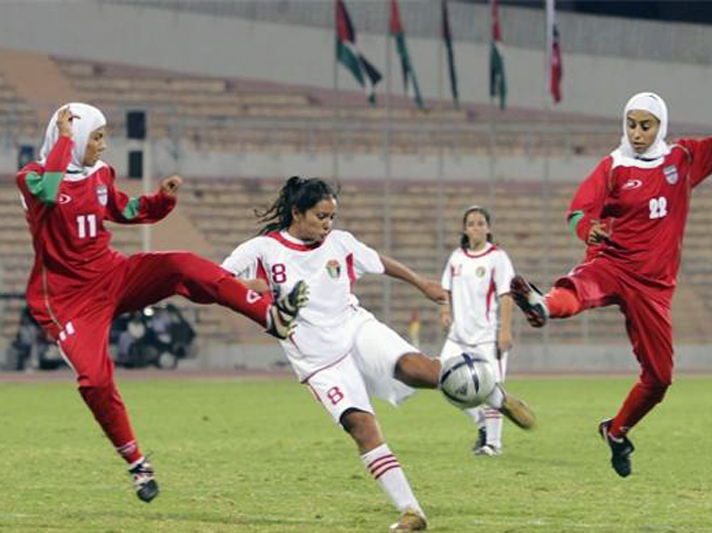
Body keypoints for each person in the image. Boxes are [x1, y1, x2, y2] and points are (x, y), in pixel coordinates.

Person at [510, 72, 712, 478]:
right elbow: (578, 208)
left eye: (646, 125)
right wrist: (586, 227)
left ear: (660, 125)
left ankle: (616, 430)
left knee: (660, 379)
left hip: (654, 289)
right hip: (614, 263)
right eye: (632, 124)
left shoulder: (682, 158)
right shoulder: (613, 166)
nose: (638, 133)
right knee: (579, 286)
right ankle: (541, 304)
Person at [16, 103, 306, 503]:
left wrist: (159, 201)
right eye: (96, 137)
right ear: (74, 137)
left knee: (180, 264)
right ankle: (137, 464)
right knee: (96, 380)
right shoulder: (32, 178)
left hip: (112, 275)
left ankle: (269, 314)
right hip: (67, 301)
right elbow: (50, 194)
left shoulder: (100, 174)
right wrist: (65, 139)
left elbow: (124, 209)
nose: (103, 145)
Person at [221, 177, 534, 531]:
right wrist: (261, 288)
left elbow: (381, 263)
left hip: (356, 328)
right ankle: (411, 512)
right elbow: (218, 280)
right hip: (316, 359)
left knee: (422, 370)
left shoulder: (340, 243)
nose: (328, 224)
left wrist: (422, 284)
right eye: (321, 216)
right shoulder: (262, 249)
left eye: (332, 217)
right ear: (297, 212)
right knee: (362, 427)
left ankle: (498, 397)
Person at [439, 206, 516, 456]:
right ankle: (481, 422)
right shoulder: (456, 258)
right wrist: (445, 311)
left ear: (488, 228)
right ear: (465, 229)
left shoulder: (498, 258)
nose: (476, 227)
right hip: (458, 336)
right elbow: (445, 290)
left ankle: (493, 444)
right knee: (442, 381)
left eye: (481, 223)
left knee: (490, 388)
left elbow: (506, 295)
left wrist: (504, 331)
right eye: (471, 223)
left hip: (487, 336)